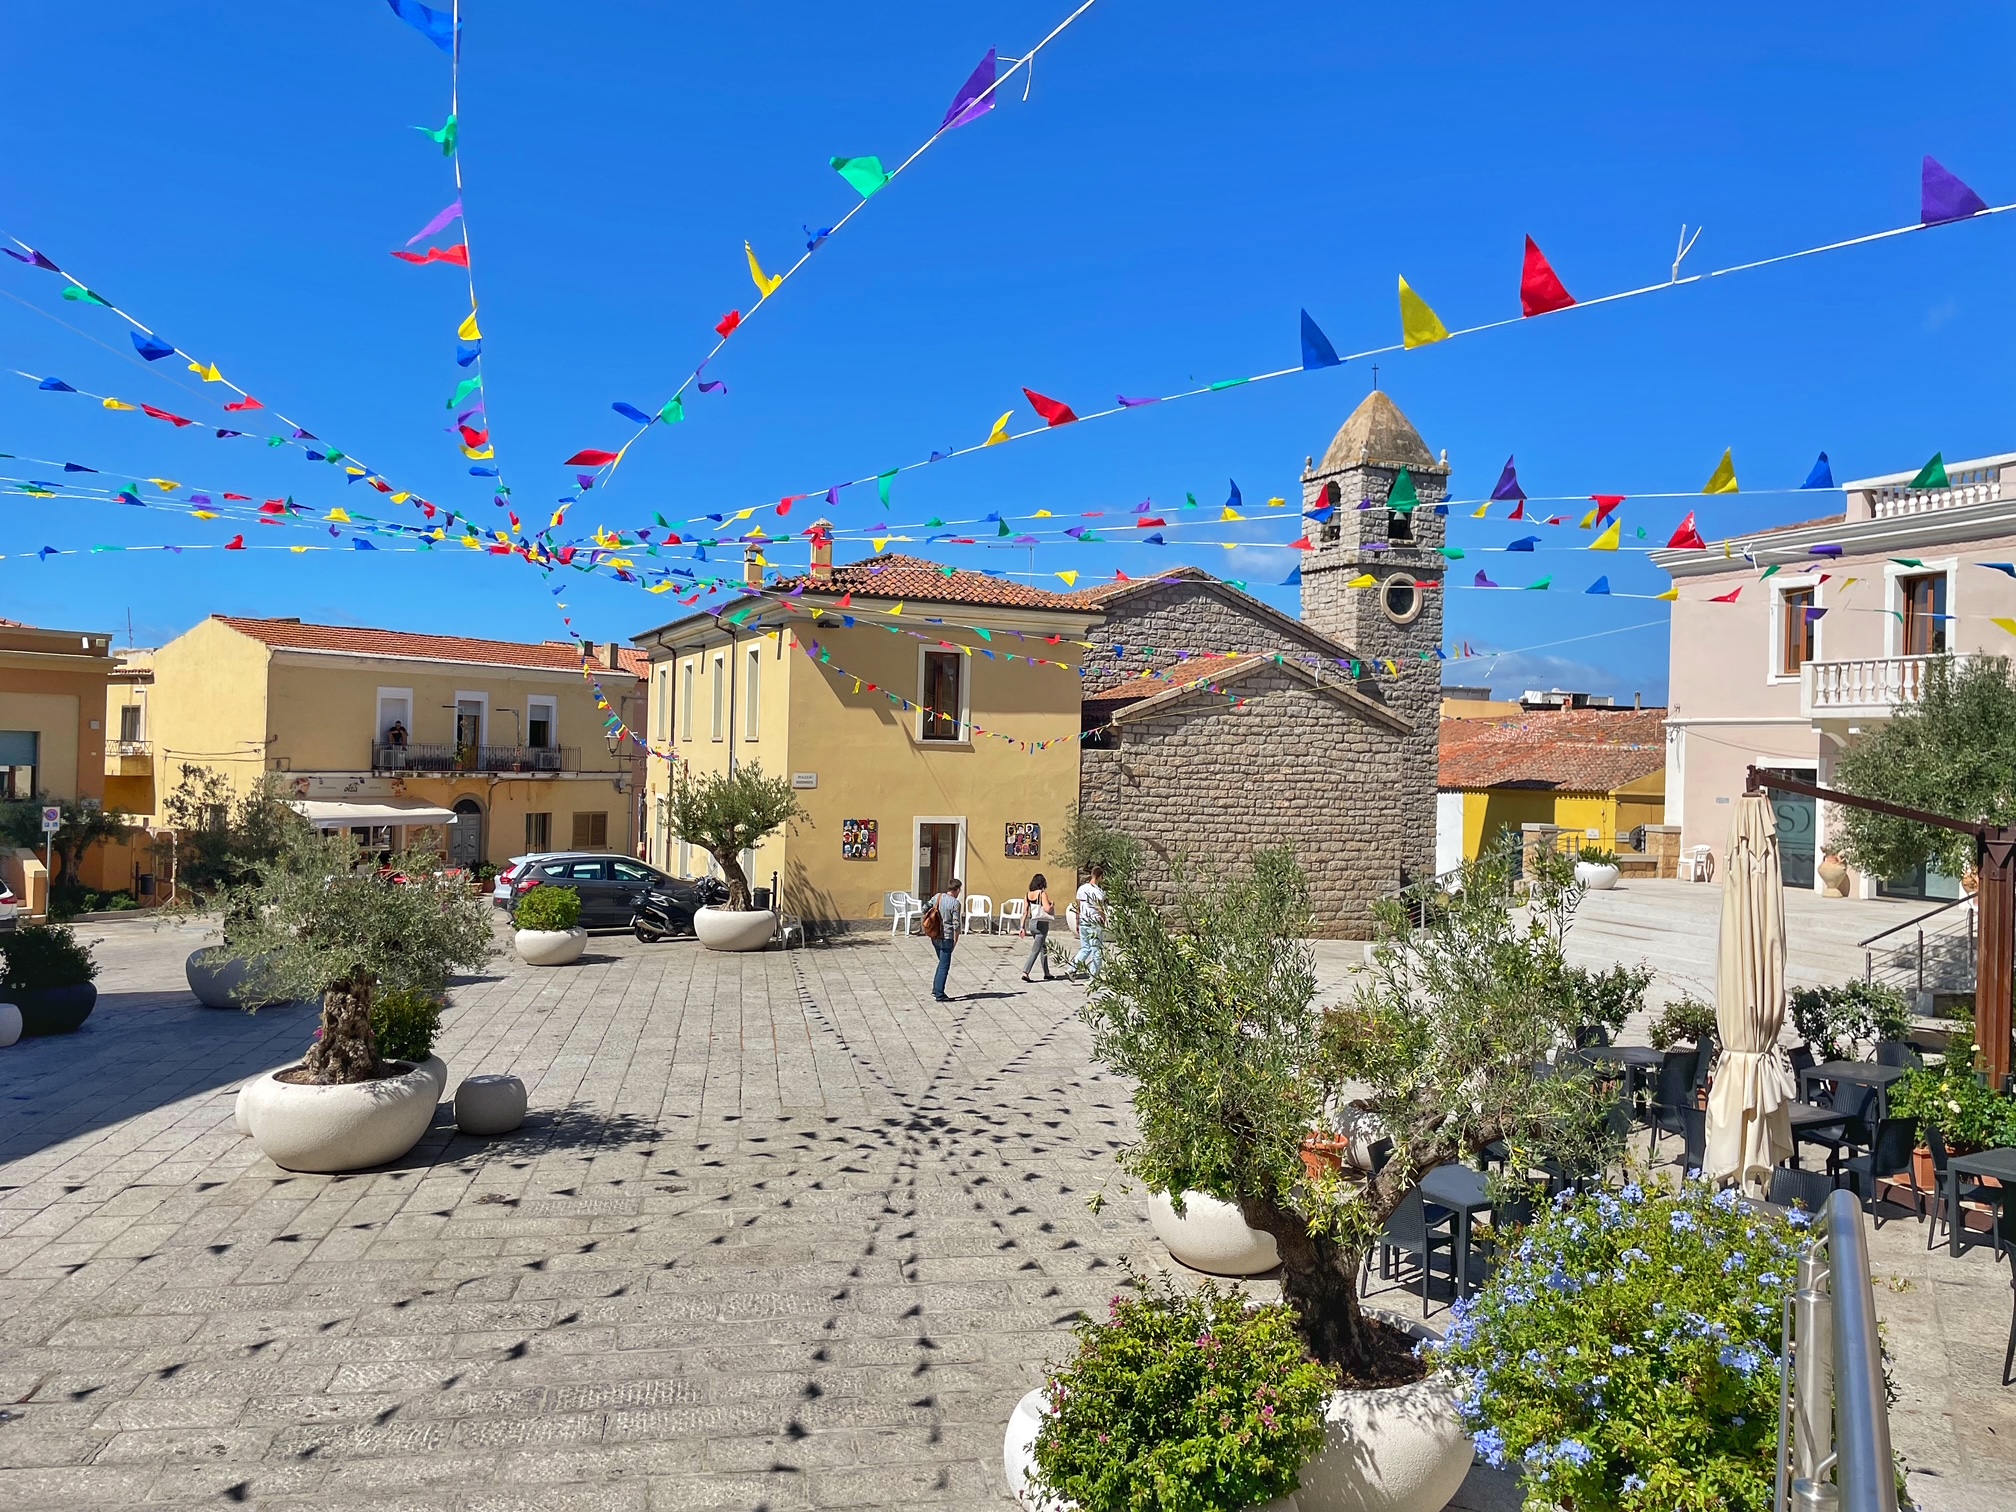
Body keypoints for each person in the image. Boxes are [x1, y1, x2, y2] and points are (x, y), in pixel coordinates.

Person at [924, 877, 963, 1001]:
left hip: (935, 935)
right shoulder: (955, 904)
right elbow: (956, 924)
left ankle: (936, 989)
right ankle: (939, 994)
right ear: (956, 890)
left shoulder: (937, 897)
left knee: (941, 963)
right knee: (944, 966)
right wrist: (956, 939)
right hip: (947, 937)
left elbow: (925, 907)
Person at [1072, 866, 1106, 979]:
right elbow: (1099, 909)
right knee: (1096, 950)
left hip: (1083, 921)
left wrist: (1077, 922)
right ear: (1100, 876)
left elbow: (1078, 907)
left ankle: (1072, 968)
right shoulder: (1098, 892)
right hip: (1094, 923)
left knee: (1085, 948)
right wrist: (1104, 919)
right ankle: (1094, 977)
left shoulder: (1081, 888)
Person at [1020, 873, 1055, 983]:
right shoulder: (1042, 894)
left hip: (1032, 923)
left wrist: (1022, 927)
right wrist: (1052, 904)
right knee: (1036, 949)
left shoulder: (1027, 895)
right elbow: (1047, 909)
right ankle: (1026, 972)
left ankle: (1047, 972)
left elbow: (1025, 912)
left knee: (1043, 948)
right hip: (1041, 923)